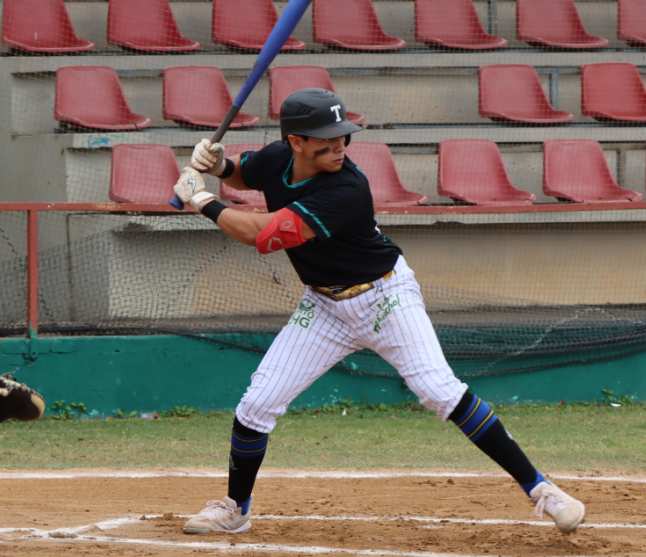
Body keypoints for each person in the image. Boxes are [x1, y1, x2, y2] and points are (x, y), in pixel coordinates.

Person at [172, 88, 586, 536]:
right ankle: (237, 508)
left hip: (385, 298)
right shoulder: (278, 157)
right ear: (295, 142)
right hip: (324, 305)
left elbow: (263, 235)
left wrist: (202, 201)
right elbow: (245, 174)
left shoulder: (346, 187)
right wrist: (218, 167)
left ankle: (542, 489)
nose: (338, 148)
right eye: (325, 141)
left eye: (342, 137)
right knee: (256, 405)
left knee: (439, 391)